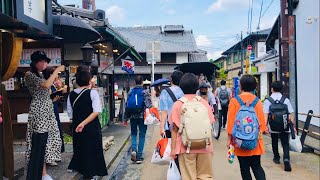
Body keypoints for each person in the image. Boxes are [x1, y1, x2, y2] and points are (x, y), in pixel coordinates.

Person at [24, 51, 64, 180]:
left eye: (46, 61)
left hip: (47, 110)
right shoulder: (29, 74)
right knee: (39, 142)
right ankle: (39, 174)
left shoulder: (40, 74)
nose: (44, 63)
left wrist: (53, 98)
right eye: (42, 61)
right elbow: (46, 85)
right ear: (35, 62)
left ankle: (43, 173)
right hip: (39, 112)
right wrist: (56, 71)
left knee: (46, 142)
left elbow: (45, 91)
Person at [169, 73, 215, 180]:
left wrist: (173, 150)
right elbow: (210, 123)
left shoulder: (178, 104)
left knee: (189, 177)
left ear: (181, 87)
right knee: (205, 177)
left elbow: (175, 130)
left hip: (186, 148)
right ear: (197, 87)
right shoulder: (203, 103)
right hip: (205, 146)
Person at [67, 70, 108, 179]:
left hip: (77, 127)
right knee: (93, 149)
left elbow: (70, 113)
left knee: (81, 149)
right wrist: (84, 123)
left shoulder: (71, 95)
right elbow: (96, 111)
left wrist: (79, 123)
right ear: (88, 80)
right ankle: (91, 174)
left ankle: (84, 172)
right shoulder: (92, 93)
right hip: (91, 127)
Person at [226, 75, 268, 180]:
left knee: (244, 169)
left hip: (239, 141)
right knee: (257, 167)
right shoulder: (257, 101)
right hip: (255, 141)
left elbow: (231, 122)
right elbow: (261, 124)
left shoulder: (234, 101)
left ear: (240, 86)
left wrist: (229, 140)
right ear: (255, 87)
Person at [263, 81, 294, 171]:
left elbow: (265, 115)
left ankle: (276, 158)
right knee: (285, 143)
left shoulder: (268, 101)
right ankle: (286, 158)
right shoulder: (286, 100)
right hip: (285, 125)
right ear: (281, 89)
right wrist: (293, 127)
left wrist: (264, 127)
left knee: (274, 140)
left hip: (273, 126)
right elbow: (291, 114)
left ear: (272, 89)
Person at [124, 75, 152, 164]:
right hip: (142, 117)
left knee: (133, 133)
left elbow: (127, 106)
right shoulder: (145, 92)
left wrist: (125, 119)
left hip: (132, 116)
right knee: (142, 135)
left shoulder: (131, 92)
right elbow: (149, 105)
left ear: (135, 82)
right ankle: (139, 156)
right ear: (142, 82)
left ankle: (134, 150)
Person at [159, 71, 184, 137]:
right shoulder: (184, 91)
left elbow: (164, 111)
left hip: (170, 125)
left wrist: (162, 127)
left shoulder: (165, 92)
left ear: (171, 80)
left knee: (170, 145)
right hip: (183, 124)